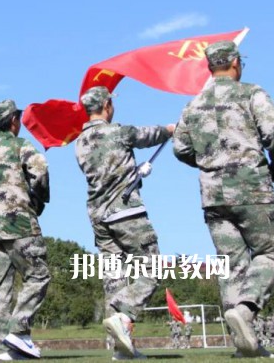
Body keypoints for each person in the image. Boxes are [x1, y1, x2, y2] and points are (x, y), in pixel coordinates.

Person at [173, 40, 274, 359]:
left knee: (230, 265)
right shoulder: (252, 93)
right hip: (251, 189)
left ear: (210, 67)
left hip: (212, 195)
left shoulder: (194, 104)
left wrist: (210, 164)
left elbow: (180, 148)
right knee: (271, 252)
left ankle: (244, 344)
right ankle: (245, 309)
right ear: (236, 63)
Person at [74, 86, 174, 360]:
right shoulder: (117, 131)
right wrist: (169, 129)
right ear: (107, 105)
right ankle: (123, 313)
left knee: (114, 277)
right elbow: (146, 135)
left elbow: (106, 172)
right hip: (125, 212)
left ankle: (121, 348)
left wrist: (135, 173)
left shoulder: (80, 142)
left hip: (98, 216)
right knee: (152, 269)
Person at [0, 99, 51, 361]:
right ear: (13, 121)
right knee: (38, 275)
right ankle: (18, 330)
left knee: (0, 289)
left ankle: (6, 350)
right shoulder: (20, 145)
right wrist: (38, 199)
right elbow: (41, 170)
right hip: (21, 224)